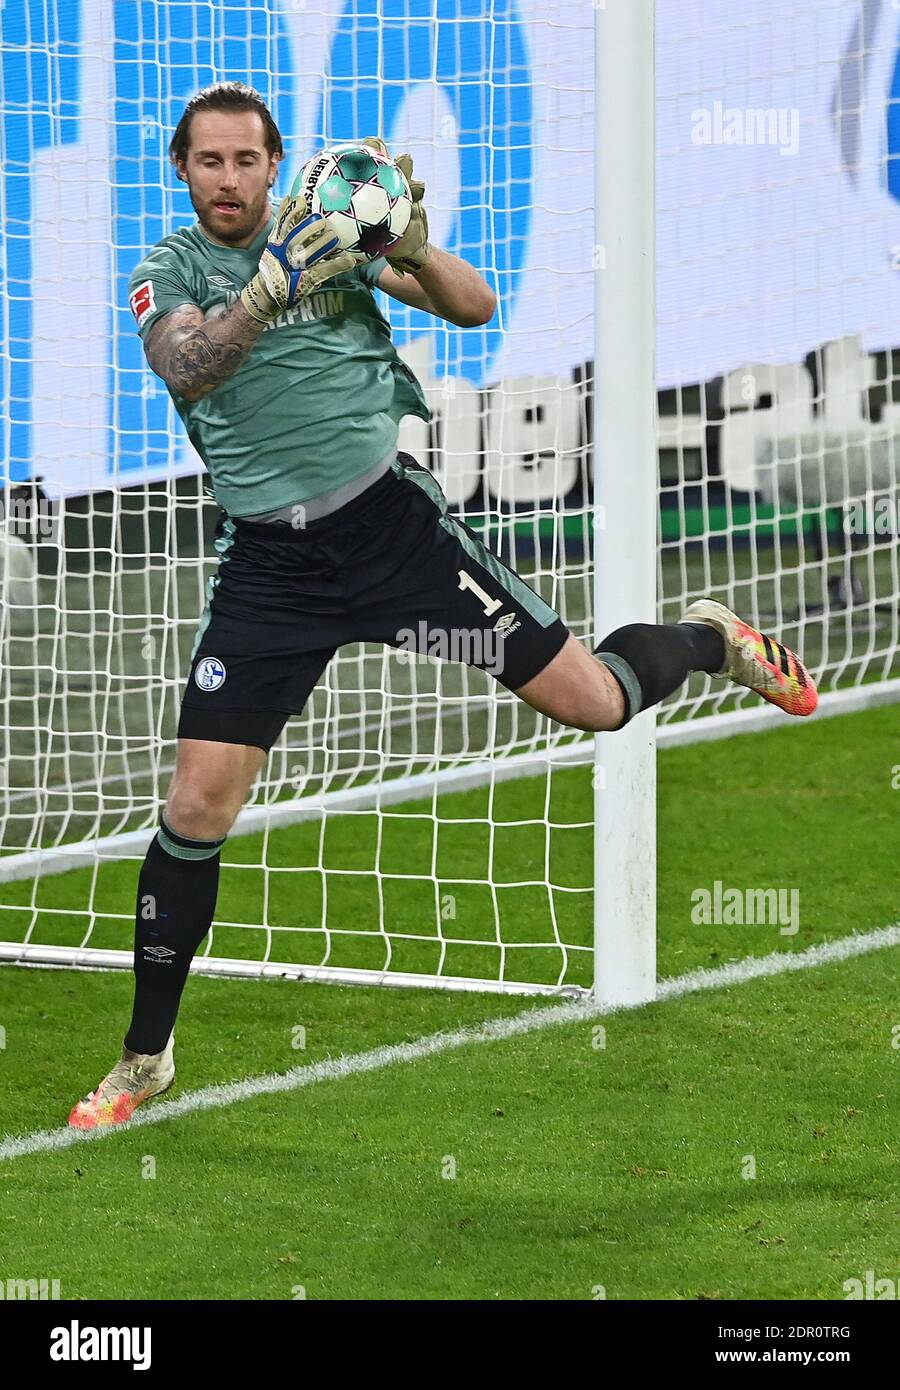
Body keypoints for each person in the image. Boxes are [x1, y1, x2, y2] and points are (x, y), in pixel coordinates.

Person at [68, 82, 817, 1129]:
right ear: (180, 170)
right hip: (272, 573)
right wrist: (271, 290)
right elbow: (191, 370)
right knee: (195, 810)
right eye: (209, 163)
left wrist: (410, 247)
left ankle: (708, 637)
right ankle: (144, 1060)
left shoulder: (331, 239)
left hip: (394, 536)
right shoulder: (170, 272)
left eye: (247, 161)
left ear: (275, 166)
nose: (229, 180)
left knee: (596, 703)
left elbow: (472, 306)